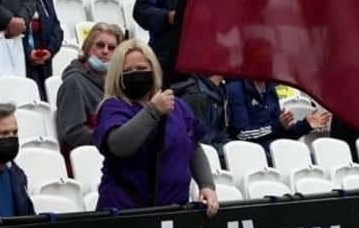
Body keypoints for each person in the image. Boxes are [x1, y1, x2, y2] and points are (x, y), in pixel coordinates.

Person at [93, 39, 218, 215]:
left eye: (142, 69)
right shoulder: (113, 107)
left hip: (174, 211)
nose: (136, 74)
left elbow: (193, 147)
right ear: (117, 75)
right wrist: (153, 111)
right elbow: (119, 146)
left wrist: (206, 185)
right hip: (126, 214)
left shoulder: (178, 106)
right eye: (127, 71)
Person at [56, 22, 124, 158]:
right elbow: (72, 133)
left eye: (111, 48)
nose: (105, 51)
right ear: (87, 48)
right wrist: (112, 141)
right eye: (100, 45)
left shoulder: (117, 85)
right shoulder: (73, 83)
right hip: (86, 159)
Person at [226, 78, 330, 146]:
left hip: (274, 151)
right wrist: (277, 125)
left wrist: (306, 125)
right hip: (250, 155)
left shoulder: (270, 89)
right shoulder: (236, 89)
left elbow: (282, 134)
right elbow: (241, 134)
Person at [18, 0, 63, 100]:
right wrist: (27, 52)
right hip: (22, 58)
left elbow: (56, 27)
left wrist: (50, 50)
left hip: (45, 57)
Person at [172, 74, 232, 157]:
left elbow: (219, 132)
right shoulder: (197, 96)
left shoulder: (220, 91)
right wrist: (226, 151)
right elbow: (199, 142)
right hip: (199, 158)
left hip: (214, 150)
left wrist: (233, 148)